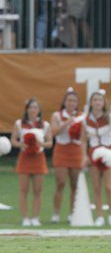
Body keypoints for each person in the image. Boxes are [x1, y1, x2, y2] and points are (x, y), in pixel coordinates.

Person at [81, 91, 111, 227]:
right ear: (91, 103)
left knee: (109, 187)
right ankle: (99, 216)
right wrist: (84, 156)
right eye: (94, 100)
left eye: (100, 100)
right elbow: (83, 140)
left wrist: (110, 152)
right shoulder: (85, 119)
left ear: (104, 102)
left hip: (108, 153)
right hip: (93, 153)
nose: (97, 103)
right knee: (96, 187)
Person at [11, 98, 53, 226]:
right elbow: (13, 140)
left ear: (39, 110)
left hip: (38, 158)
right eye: (31, 107)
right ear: (27, 109)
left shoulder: (45, 125)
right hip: (25, 158)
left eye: (35, 107)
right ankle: (25, 218)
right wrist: (21, 144)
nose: (33, 110)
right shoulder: (19, 123)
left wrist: (41, 143)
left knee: (38, 190)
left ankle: (35, 218)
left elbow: (50, 143)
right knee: (23, 190)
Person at [50, 88, 84, 223]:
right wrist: (68, 122)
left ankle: (72, 213)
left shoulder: (82, 115)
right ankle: (56, 213)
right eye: (69, 100)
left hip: (76, 150)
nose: (71, 103)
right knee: (60, 182)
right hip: (62, 150)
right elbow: (54, 132)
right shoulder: (57, 115)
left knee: (75, 184)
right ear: (64, 102)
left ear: (77, 103)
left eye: (74, 101)